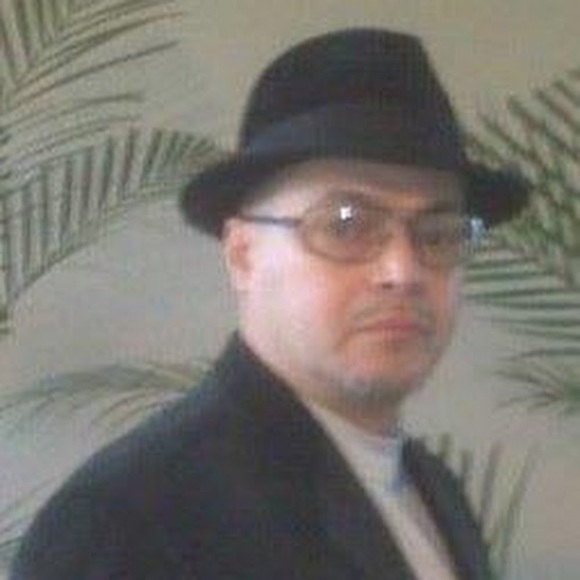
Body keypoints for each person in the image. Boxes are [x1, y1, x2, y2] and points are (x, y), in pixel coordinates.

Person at [10, 28, 528, 580]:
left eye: (439, 232)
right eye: (346, 225)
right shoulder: (131, 521)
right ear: (244, 256)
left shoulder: (436, 490)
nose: (402, 271)